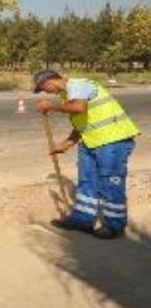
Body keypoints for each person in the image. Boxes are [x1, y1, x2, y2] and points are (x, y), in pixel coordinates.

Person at [34, 70, 140, 239]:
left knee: (110, 182)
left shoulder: (78, 85)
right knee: (86, 180)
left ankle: (114, 226)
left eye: (43, 88)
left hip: (113, 140)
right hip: (91, 141)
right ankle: (82, 220)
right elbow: (81, 123)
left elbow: (78, 108)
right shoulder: (68, 94)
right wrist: (66, 144)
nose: (46, 92)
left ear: (50, 81)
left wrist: (50, 106)